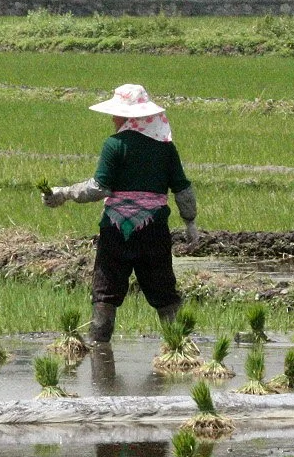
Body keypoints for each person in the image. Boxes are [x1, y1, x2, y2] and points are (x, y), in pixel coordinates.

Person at [41, 83, 198, 344]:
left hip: (116, 231)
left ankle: (99, 350)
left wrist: (65, 193)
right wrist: (190, 222)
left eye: (116, 114)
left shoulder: (114, 145)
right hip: (154, 231)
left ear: (127, 117)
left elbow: (98, 188)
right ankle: (180, 347)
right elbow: (183, 190)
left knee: (105, 294)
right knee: (164, 293)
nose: (113, 119)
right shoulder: (165, 148)